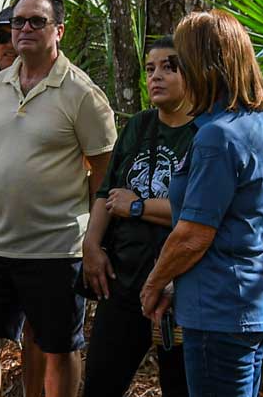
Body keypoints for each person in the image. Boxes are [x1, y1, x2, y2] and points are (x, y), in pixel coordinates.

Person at [0, 0, 118, 397]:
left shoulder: (82, 93)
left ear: (58, 31)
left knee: (58, 347)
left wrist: (93, 242)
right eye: (18, 22)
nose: (25, 29)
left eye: (37, 21)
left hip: (57, 249)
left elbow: (103, 175)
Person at [140, 10, 263, 397]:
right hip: (251, 302)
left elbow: (193, 235)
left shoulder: (217, 137)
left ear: (202, 65)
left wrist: (155, 282)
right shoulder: (262, 123)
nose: (177, 71)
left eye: (180, 61)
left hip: (219, 312)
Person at [80, 37, 197, 397]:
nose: (156, 76)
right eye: (150, 69)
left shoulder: (205, 133)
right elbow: (107, 191)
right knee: (99, 383)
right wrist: (91, 245)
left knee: (179, 387)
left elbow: (198, 215)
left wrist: (137, 206)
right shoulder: (139, 126)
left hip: (177, 289)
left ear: (193, 73)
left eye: (169, 67)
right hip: (124, 281)